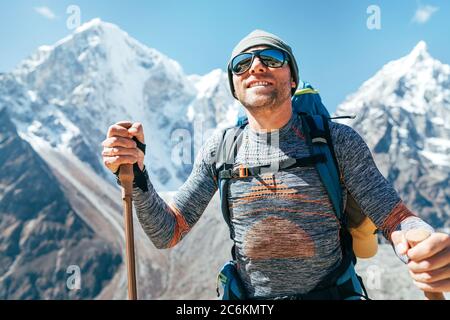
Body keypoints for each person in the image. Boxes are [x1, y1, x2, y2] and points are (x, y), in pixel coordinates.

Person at [101, 30, 450, 299]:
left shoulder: (337, 141)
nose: (255, 67)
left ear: (292, 79)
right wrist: (138, 177)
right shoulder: (220, 149)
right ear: (236, 87)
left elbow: (396, 219)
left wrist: (421, 244)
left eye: (270, 58)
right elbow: (169, 232)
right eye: (242, 64)